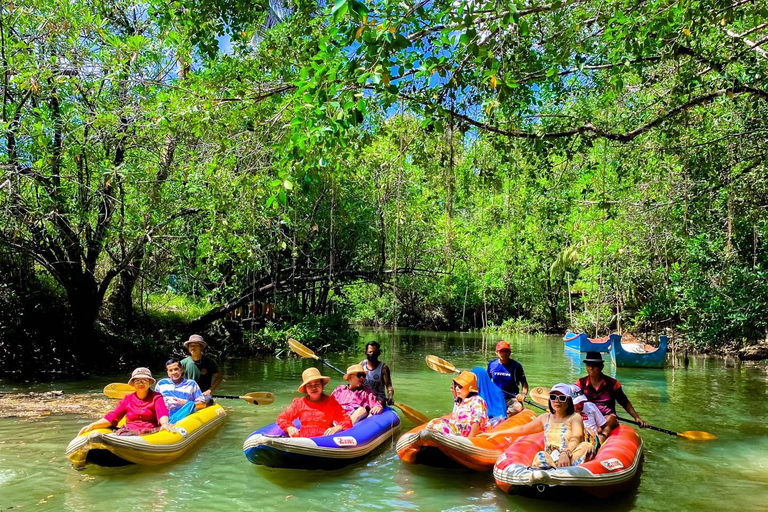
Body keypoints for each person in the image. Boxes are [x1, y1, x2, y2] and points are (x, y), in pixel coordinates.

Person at [479, 383, 594, 468]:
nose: (557, 401)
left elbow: (577, 437)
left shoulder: (575, 417)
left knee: (586, 446)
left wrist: (565, 453)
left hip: (570, 455)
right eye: (553, 397)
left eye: (562, 398)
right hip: (551, 459)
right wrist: (498, 432)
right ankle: (548, 472)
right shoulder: (545, 418)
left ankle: (561, 470)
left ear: (568, 401)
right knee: (540, 455)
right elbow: (523, 429)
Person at [78, 368, 175, 436]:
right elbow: (113, 416)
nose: (140, 383)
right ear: (132, 384)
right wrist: (93, 425)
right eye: (137, 381)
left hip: (150, 431)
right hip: (129, 431)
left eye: (144, 380)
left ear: (150, 383)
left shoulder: (157, 397)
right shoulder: (127, 399)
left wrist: (164, 424)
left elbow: (162, 413)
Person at [575, 352, 649, 438]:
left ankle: (602, 437)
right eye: (588, 365)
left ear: (601, 367)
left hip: (607, 417)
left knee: (610, 419)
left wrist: (637, 418)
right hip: (588, 417)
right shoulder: (580, 383)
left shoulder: (613, 384)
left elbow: (624, 402)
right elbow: (572, 402)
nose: (591, 368)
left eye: (594, 365)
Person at [276, 367, 353, 438]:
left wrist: (337, 427)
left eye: (317, 384)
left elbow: (346, 421)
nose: (313, 388)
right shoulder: (299, 403)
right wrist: (289, 428)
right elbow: (281, 418)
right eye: (309, 386)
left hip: (324, 441)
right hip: (303, 441)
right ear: (306, 389)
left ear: (322, 385)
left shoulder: (331, 402)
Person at [425, 371, 489, 438]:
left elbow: (477, 421)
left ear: (470, 388)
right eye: (456, 386)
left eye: (461, 386)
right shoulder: (458, 401)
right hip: (459, 430)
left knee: (439, 424)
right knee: (434, 422)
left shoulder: (477, 400)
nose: (457, 388)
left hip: (469, 432)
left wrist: (470, 439)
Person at [155, 358, 207, 423]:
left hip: (182, 413)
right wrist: (162, 402)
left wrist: (184, 403)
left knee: (190, 404)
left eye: (176, 369)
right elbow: (154, 401)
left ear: (182, 370)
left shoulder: (191, 384)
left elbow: (203, 404)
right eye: (170, 370)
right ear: (168, 373)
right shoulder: (161, 383)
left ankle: (172, 422)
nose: (174, 372)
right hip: (164, 413)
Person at [487, 341, 528, 415]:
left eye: (506, 351)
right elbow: (487, 381)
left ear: (510, 352)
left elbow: (524, 383)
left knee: (518, 408)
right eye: (501, 351)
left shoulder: (516, 366)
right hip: (496, 397)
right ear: (496, 352)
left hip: (512, 398)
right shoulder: (491, 365)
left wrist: (523, 394)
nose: (504, 353)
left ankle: (505, 414)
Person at [180, 334, 223, 405]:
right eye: (191, 346)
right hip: (188, 394)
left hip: (204, 395)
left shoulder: (209, 362)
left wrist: (209, 391)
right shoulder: (183, 363)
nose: (193, 348)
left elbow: (219, 378)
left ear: (201, 347)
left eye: (196, 345)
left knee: (208, 401)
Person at [571, 384, 608, 449]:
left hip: (592, 442)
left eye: (581, 402)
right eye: (576, 403)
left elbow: (604, 426)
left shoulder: (591, 407)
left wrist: (602, 436)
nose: (580, 405)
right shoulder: (564, 414)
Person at [360, 342, 394, 406]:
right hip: (365, 396)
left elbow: (389, 386)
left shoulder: (384, 368)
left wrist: (390, 396)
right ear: (366, 353)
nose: (372, 354)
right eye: (370, 352)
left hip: (379, 399)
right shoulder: (362, 365)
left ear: (378, 353)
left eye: (374, 352)